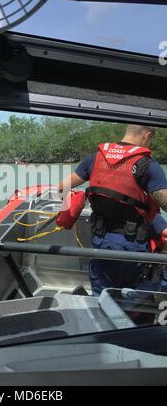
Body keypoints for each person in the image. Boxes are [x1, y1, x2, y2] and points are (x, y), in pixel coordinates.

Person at [59, 124, 167, 296]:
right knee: (130, 294)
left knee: (102, 292)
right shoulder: (148, 165)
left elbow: (62, 187)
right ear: (147, 136)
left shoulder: (95, 158)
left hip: (100, 240)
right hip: (132, 244)